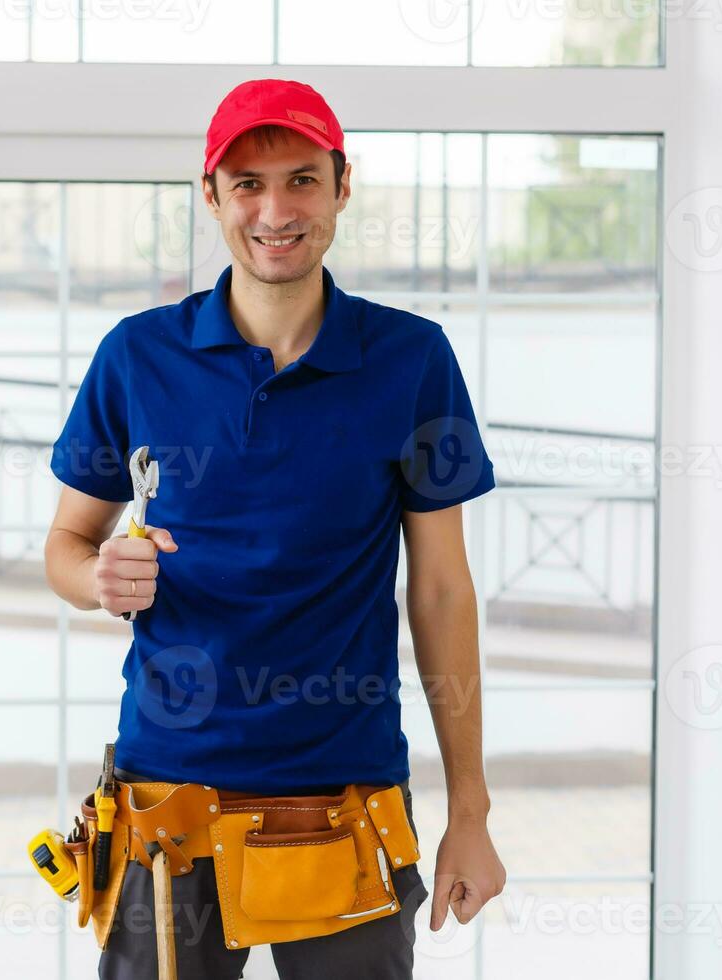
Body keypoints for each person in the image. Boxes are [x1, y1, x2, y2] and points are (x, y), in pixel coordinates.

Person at [45, 77, 507, 980]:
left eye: (301, 180)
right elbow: (66, 547)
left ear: (343, 185)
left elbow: (443, 590)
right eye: (248, 184)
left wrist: (472, 811)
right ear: (210, 194)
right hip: (164, 804)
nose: (276, 210)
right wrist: (96, 578)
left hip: (345, 800)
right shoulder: (137, 355)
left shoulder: (413, 360)